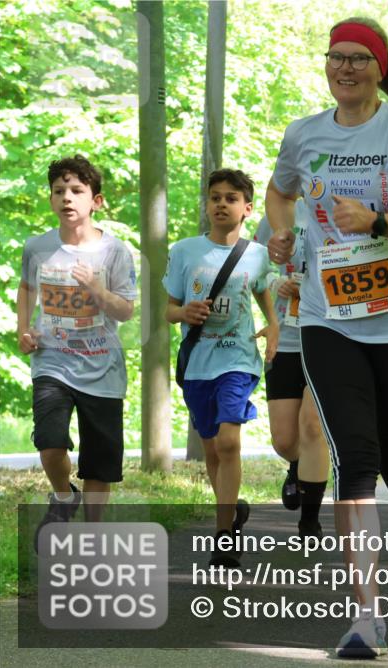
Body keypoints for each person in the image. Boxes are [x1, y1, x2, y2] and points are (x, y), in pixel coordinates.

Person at [264, 17, 388, 658]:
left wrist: (377, 218)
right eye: (335, 57)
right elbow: (278, 191)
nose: (344, 68)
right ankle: (366, 619)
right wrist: (282, 232)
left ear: (379, 68)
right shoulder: (304, 134)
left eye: (357, 59)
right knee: (356, 460)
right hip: (328, 318)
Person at [18, 155, 137, 547]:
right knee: (49, 442)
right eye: (59, 191)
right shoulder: (37, 247)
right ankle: (64, 496)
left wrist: (97, 291)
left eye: (77, 191)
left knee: (99, 462)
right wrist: (23, 328)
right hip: (52, 361)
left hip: (102, 367)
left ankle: (93, 535)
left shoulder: (115, 252)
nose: (67, 198)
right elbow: (26, 288)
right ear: (51, 199)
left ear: (96, 201)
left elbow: (125, 308)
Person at [164, 169, 278, 567]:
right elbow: (167, 309)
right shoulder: (184, 251)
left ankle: (223, 536)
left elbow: (265, 292)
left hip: (238, 358)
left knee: (229, 442)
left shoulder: (257, 254)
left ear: (247, 209)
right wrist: (184, 312)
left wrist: (274, 328)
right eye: (215, 197)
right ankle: (231, 511)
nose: (221, 204)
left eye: (231, 198)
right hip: (198, 361)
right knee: (212, 448)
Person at [252, 200, 329, 536]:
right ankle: (298, 466)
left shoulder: (345, 209)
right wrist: (275, 283)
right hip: (285, 339)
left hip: (330, 335)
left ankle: (309, 521)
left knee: (312, 427)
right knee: (284, 440)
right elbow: (253, 268)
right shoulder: (277, 214)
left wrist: (316, 286)